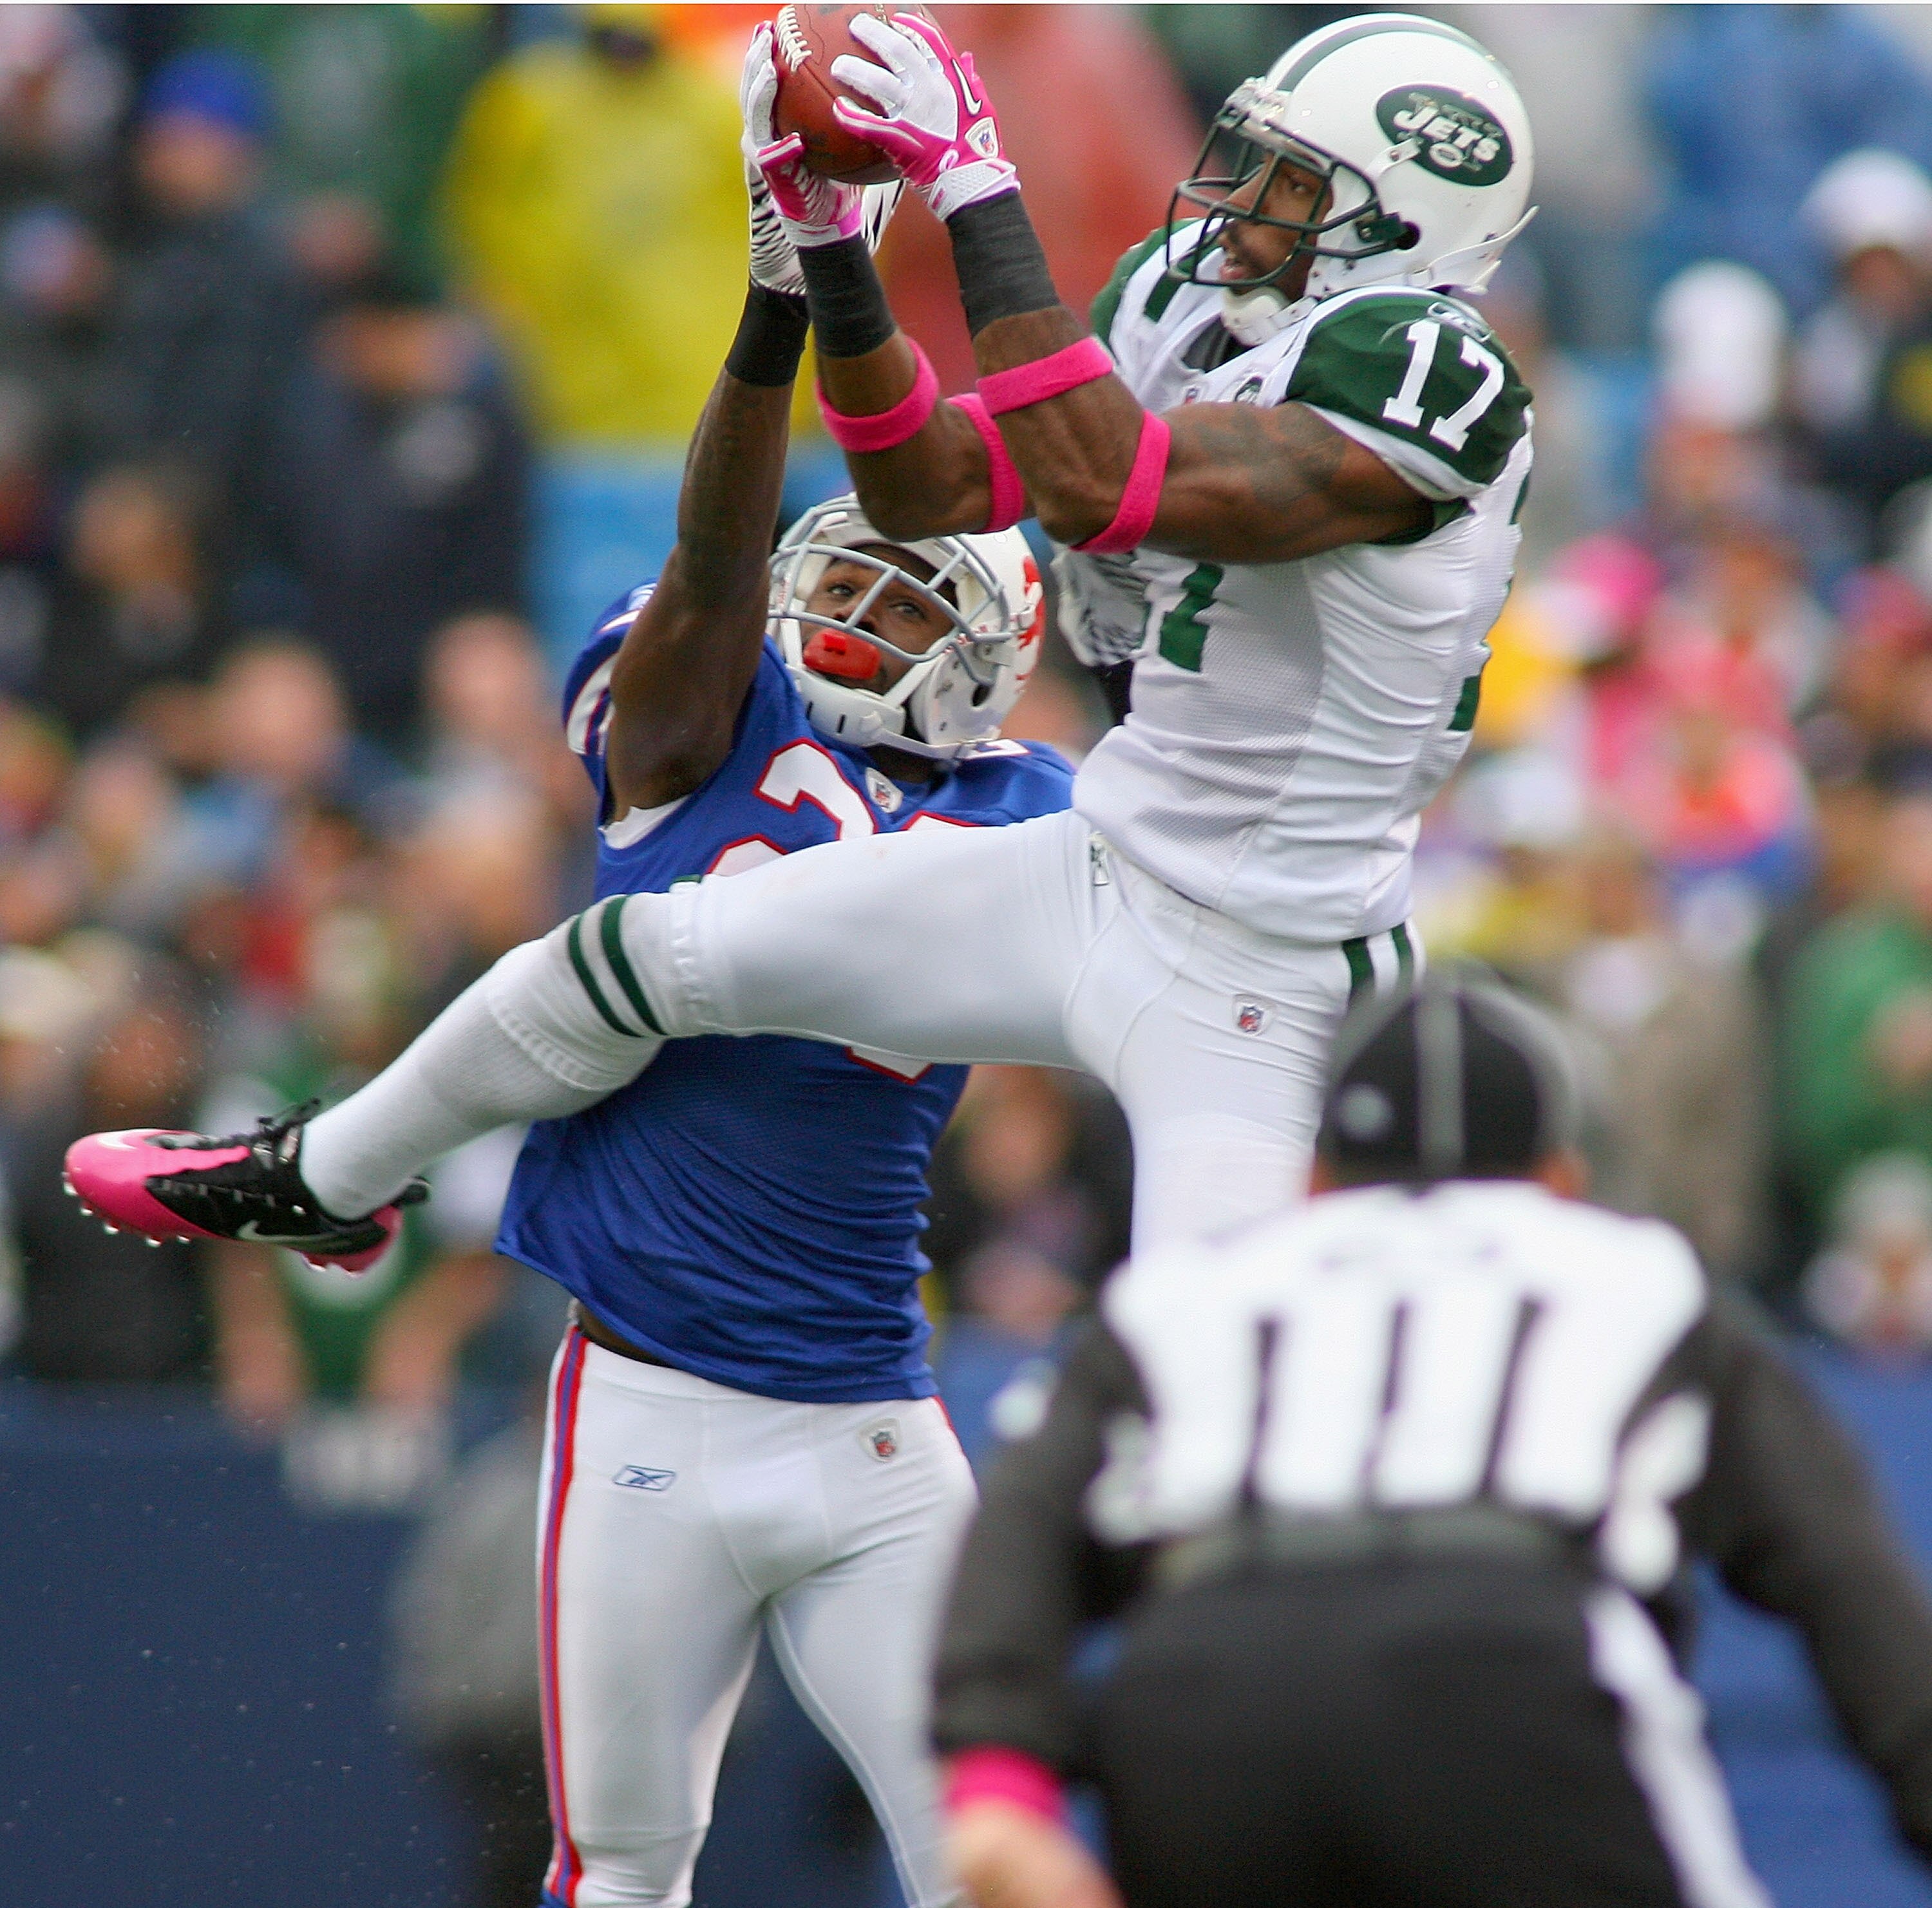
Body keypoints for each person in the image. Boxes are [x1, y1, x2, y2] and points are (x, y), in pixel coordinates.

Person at [64, 12, 1538, 1270]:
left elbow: (1106, 482)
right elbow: (922, 490)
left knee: (1208, 1377)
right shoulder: (1186, 302)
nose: (1239, 201)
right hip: (1107, 865)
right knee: (637, 954)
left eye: (1293, 182)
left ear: (1413, 214)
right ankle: (325, 1180)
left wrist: (976, 191)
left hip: (1271, 967)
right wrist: (828, 252)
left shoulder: (1437, 373)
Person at [70, 145, 1071, 1908]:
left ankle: (327, 1170)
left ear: (991, 653)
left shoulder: (1025, 811)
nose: (847, 612)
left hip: (872, 1422)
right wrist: (776, 314)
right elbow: (709, 557)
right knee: (618, 1871)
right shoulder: (714, 695)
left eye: (906, 600)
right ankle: (328, 1169)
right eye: (842, 577)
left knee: (987, 1857)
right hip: (646, 1403)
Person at [930, 970, 1932, 1908]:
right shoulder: (1636, 1276)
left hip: (1205, 1697)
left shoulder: (1193, 1291)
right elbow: (1838, 1568)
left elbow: (1027, 1512)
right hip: (1507, 1674)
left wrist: (996, 1775)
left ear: (1317, 1182)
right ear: (1560, 1177)